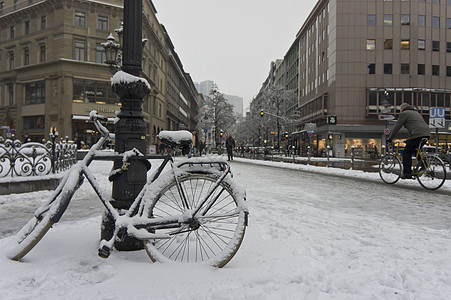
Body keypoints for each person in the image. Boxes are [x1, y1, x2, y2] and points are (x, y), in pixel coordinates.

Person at [387, 102, 430, 179]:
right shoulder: (416, 113)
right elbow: (415, 127)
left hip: (417, 135)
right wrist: (409, 140)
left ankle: (407, 173)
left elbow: (397, 127)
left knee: (406, 153)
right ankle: (425, 165)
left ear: (402, 109)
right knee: (416, 150)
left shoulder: (404, 114)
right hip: (426, 134)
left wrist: (390, 139)